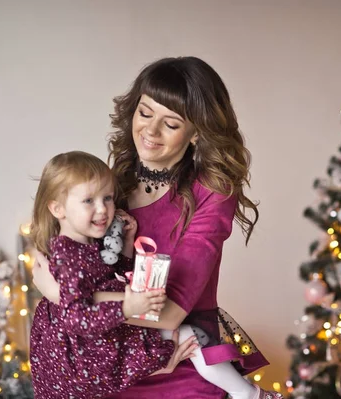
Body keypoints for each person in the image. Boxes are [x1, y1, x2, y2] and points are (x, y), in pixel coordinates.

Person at [33, 57, 282, 399]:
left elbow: (170, 314)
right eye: (145, 113)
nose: (150, 131)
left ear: (196, 132)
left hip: (181, 355)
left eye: (171, 123)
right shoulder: (110, 185)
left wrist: (64, 297)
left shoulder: (212, 192)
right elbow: (53, 245)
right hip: (111, 362)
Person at [29, 151, 179, 398]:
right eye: (88, 200)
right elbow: (77, 318)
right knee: (174, 338)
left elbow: (110, 280)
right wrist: (126, 308)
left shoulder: (87, 244)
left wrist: (128, 244)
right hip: (75, 363)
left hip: (86, 351)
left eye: (107, 197)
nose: (103, 209)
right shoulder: (67, 256)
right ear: (57, 208)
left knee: (176, 336)